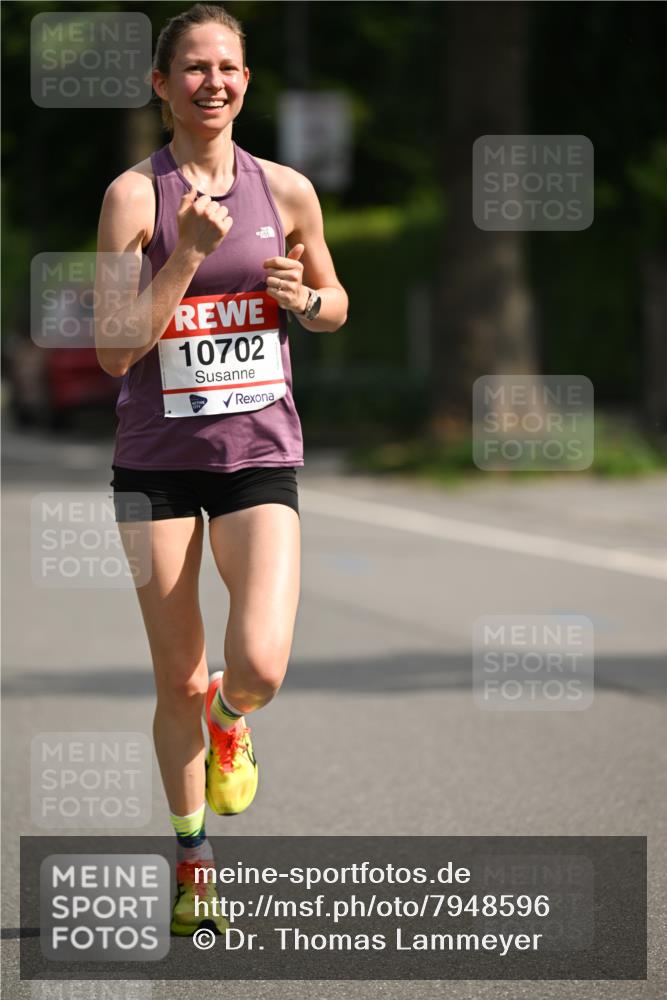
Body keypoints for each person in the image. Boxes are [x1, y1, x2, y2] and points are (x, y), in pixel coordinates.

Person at [94, 2, 348, 936]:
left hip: (257, 454)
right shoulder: (134, 197)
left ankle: (233, 717)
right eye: (193, 68)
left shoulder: (285, 191)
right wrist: (186, 256)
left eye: (228, 67)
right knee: (175, 680)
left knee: (258, 662)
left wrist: (307, 296)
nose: (213, 82)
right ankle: (193, 861)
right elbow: (116, 350)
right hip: (155, 466)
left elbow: (334, 303)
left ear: (247, 80)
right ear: (162, 85)